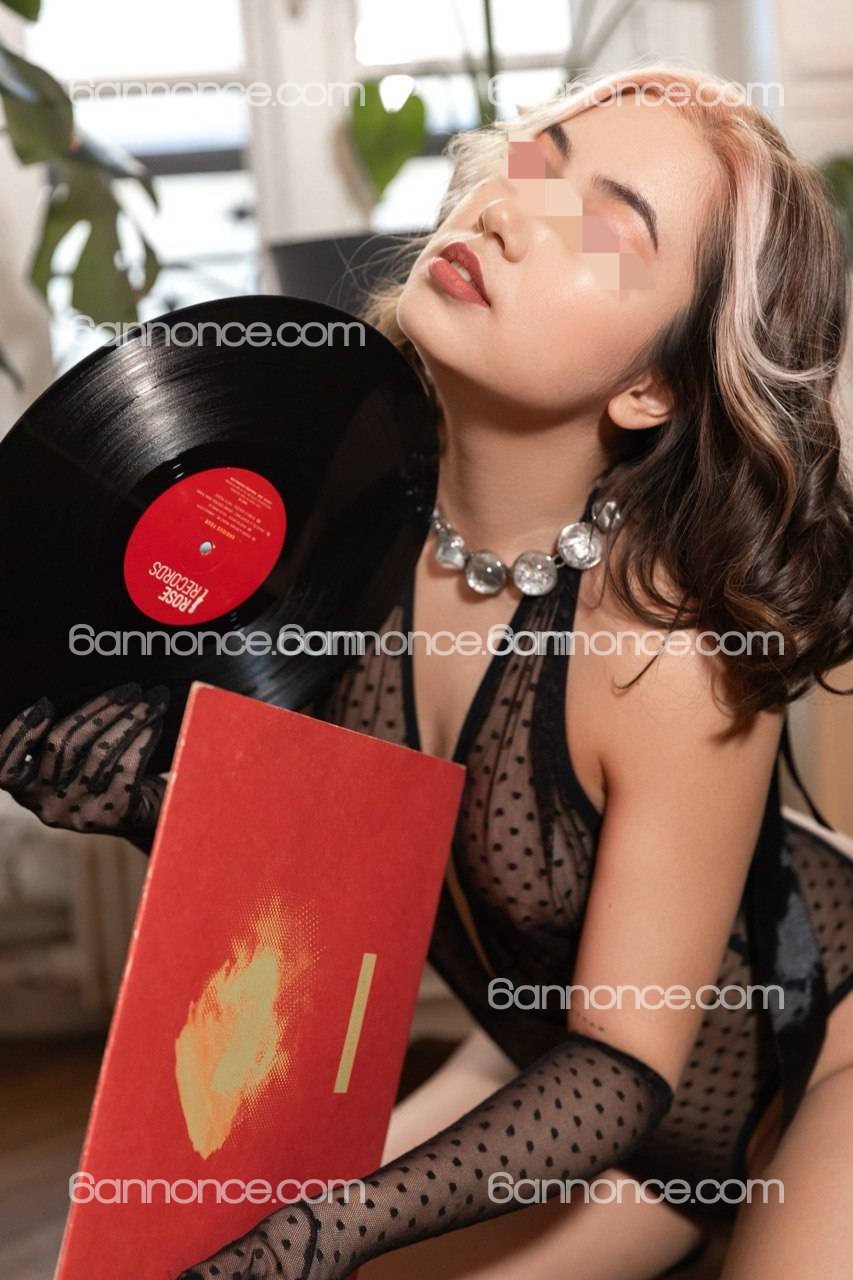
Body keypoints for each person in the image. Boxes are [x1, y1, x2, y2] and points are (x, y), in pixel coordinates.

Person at [2, 64, 853, 1280]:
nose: (510, 211)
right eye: (536, 162)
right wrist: (152, 799)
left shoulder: (668, 648)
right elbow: (318, 895)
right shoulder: (333, 537)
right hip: (549, 1083)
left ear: (652, 384)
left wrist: (327, 1226)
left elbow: (622, 1065)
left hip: (800, 1069)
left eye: (602, 229)